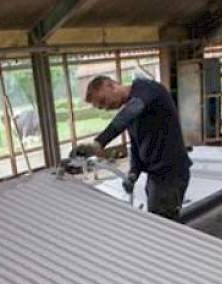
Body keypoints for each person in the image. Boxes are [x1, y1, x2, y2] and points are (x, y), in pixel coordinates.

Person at [71, 75, 192, 220]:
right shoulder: (132, 111)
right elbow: (136, 146)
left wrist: (98, 143)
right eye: (101, 108)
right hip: (156, 175)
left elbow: (130, 112)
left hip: (171, 174)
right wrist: (133, 173)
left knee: (162, 225)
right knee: (162, 220)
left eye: (103, 101)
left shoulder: (147, 89)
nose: (106, 108)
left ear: (111, 85)